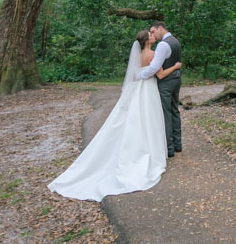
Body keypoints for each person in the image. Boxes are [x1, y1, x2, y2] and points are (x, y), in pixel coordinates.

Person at [48, 30, 181, 201]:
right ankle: (148, 150)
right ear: (147, 41)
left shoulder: (137, 55)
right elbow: (160, 74)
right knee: (149, 120)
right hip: (148, 90)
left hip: (137, 90)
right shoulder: (153, 54)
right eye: (150, 35)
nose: (152, 35)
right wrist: (176, 67)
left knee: (134, 119)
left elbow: (134, 75)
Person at [139, 21, 182, 157]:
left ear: (160, 28)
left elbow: (154, 67)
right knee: (175, 111)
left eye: (153, 31)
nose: (152, 34)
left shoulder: (163, 45)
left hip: (166, 83)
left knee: (166, 113)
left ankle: (169, 149)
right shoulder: (175, 41)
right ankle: (177, 145)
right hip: (176, 80)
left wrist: (139, 75)